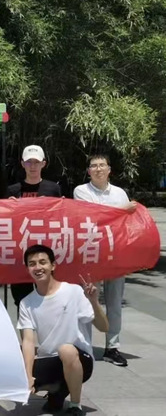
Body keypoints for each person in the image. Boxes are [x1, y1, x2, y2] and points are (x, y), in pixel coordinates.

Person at [18, 244, 108, 416]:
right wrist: (28, 376)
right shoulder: (27, 303)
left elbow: (104, 327)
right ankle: (57, 393)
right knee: (17, 373)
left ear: (53, 265)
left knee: (66, 350)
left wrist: (94, 302)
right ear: (27, 268)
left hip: (80, 360)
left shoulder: (73, 291)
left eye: (43, 262)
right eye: (32, 264)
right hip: (50, 359)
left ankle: (75, 405)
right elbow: (28, 341)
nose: (38, 267)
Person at [73, 154, 137, 367]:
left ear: (109, 170)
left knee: (114, 302)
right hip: (91, 253)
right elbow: (93, 217)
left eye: (102, 165)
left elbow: (126, 223)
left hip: (115, 254)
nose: (98, 169)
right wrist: (122, 210)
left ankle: (113, 347)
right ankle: (85, 347)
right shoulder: (81, 191)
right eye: (94, 166)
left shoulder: (119, 193)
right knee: (88, 300)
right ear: (88, 171)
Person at [7, 145, 61, 309]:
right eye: (28, 162)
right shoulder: (13, 190)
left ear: (43, 164)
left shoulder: (53, 189)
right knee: (22, 301)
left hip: (45, 250)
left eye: (36, 162)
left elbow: (61, 218)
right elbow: (4, 222)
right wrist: (8, 207)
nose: (32, 166)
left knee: (48, 298)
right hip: (20, 253)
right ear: (22, 164)